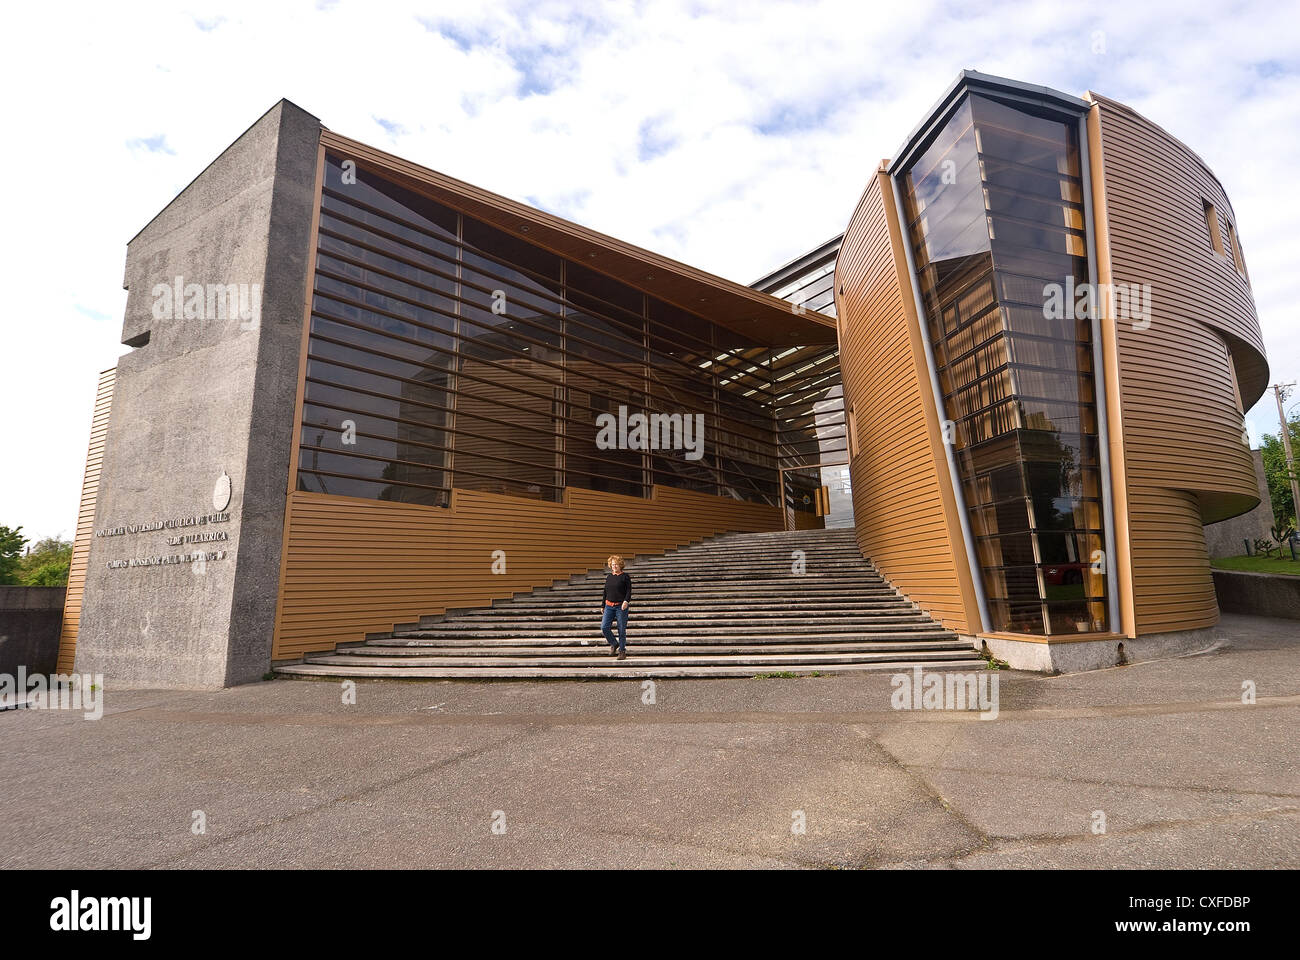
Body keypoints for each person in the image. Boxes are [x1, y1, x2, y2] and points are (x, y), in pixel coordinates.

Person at [601, 554, 632, 661]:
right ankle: (614, 643)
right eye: (613, 564)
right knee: (604, 627)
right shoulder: (609, 577)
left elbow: (629, 591)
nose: (614, 566)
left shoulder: (625, 577)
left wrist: (626, 601)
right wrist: (603, 605)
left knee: (621, 629)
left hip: (620, 606)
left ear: (620, 565)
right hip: (609, 606)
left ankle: (622, 651)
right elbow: (605, 592)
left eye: (616, 564)